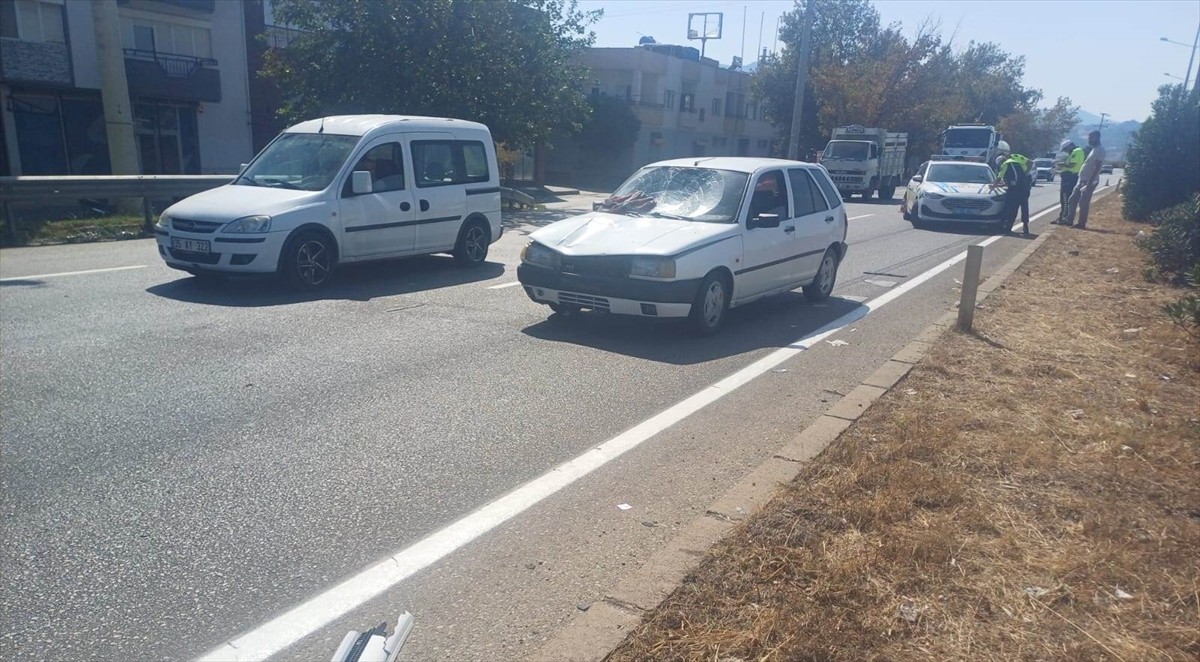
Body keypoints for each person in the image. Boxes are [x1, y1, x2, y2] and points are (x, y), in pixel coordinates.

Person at [1063, 131, 1105, 229]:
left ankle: (1081, 224)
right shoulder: (1094, 149)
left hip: (1089, 181)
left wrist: (1089, 183)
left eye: (1091, 138)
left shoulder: (1100, 150)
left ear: (1097, 137)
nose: (1089, 140)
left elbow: (1097, 167)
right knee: (1072, 199)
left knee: (1083, 202)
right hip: (1082, 179)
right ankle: (1069, 221)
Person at [993, 150, 1032, 236]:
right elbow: (1020, 175)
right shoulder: (1017, 163)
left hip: (1015, 190)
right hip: (1025, 188)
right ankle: (1025, 227)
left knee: (1012, 208)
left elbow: (1000, 177)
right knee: (1024, 207)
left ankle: (1008, 228)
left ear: (1000, 162)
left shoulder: (1006, 164)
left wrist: (994, 186)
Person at [1052, 139, 1085, 224]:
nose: (1066, 151)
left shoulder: (1076, 151)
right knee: (1065, 198)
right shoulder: (1077, 151)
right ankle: (1062, 216)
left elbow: (1072, 164)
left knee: (1065, 198)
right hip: (1070, 177)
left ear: (1070, 146)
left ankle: (1063, 218)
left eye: (1066, 149)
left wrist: (1062, 164)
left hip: (1070, 177)